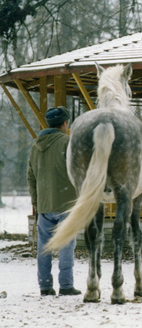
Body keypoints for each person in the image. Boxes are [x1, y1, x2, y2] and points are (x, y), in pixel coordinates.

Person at [27, 106, 82, 296]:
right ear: (65, 124)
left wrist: (37, 202)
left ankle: (45, 286)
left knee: (44, 247)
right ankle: (66, 286)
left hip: (44, 205)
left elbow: (31, 177)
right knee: (66, 245)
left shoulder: (35, 146)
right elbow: (78, 171)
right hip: (66, 203)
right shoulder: (68, 142)